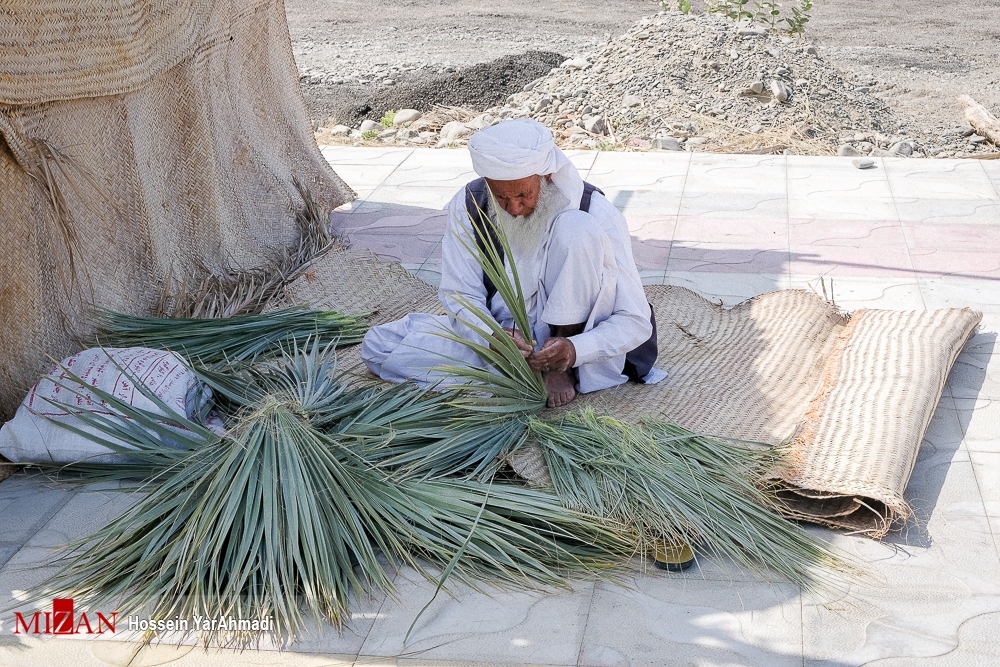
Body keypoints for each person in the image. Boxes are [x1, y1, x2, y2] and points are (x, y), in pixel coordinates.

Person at [361, 119, 656, 407]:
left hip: (581, 346)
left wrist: (574, 350)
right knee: (379, 346)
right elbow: (459, 293)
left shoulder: (596, 211)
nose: (514, 208)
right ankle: (524, 366)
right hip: (507, 341)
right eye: (501, 197)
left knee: (576, 228)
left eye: (524, 195)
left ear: (548, 177)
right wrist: (491, 336)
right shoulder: (469, 206)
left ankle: (558, 368)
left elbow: (634, 320)